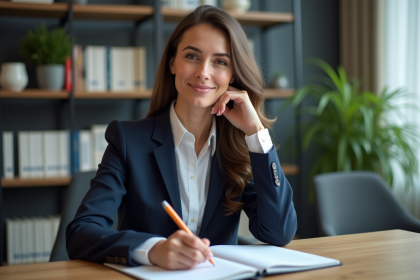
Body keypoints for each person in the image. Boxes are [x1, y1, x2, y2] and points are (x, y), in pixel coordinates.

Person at [66, 5, 297, 270]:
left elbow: (278, 232)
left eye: (220, 61)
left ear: (233, 74)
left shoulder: (241, 148)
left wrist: (256, 134)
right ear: (173, 62)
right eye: (192, 56)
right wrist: (152, 250)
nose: (203, 72)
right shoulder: (127, 140)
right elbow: (81, 233)